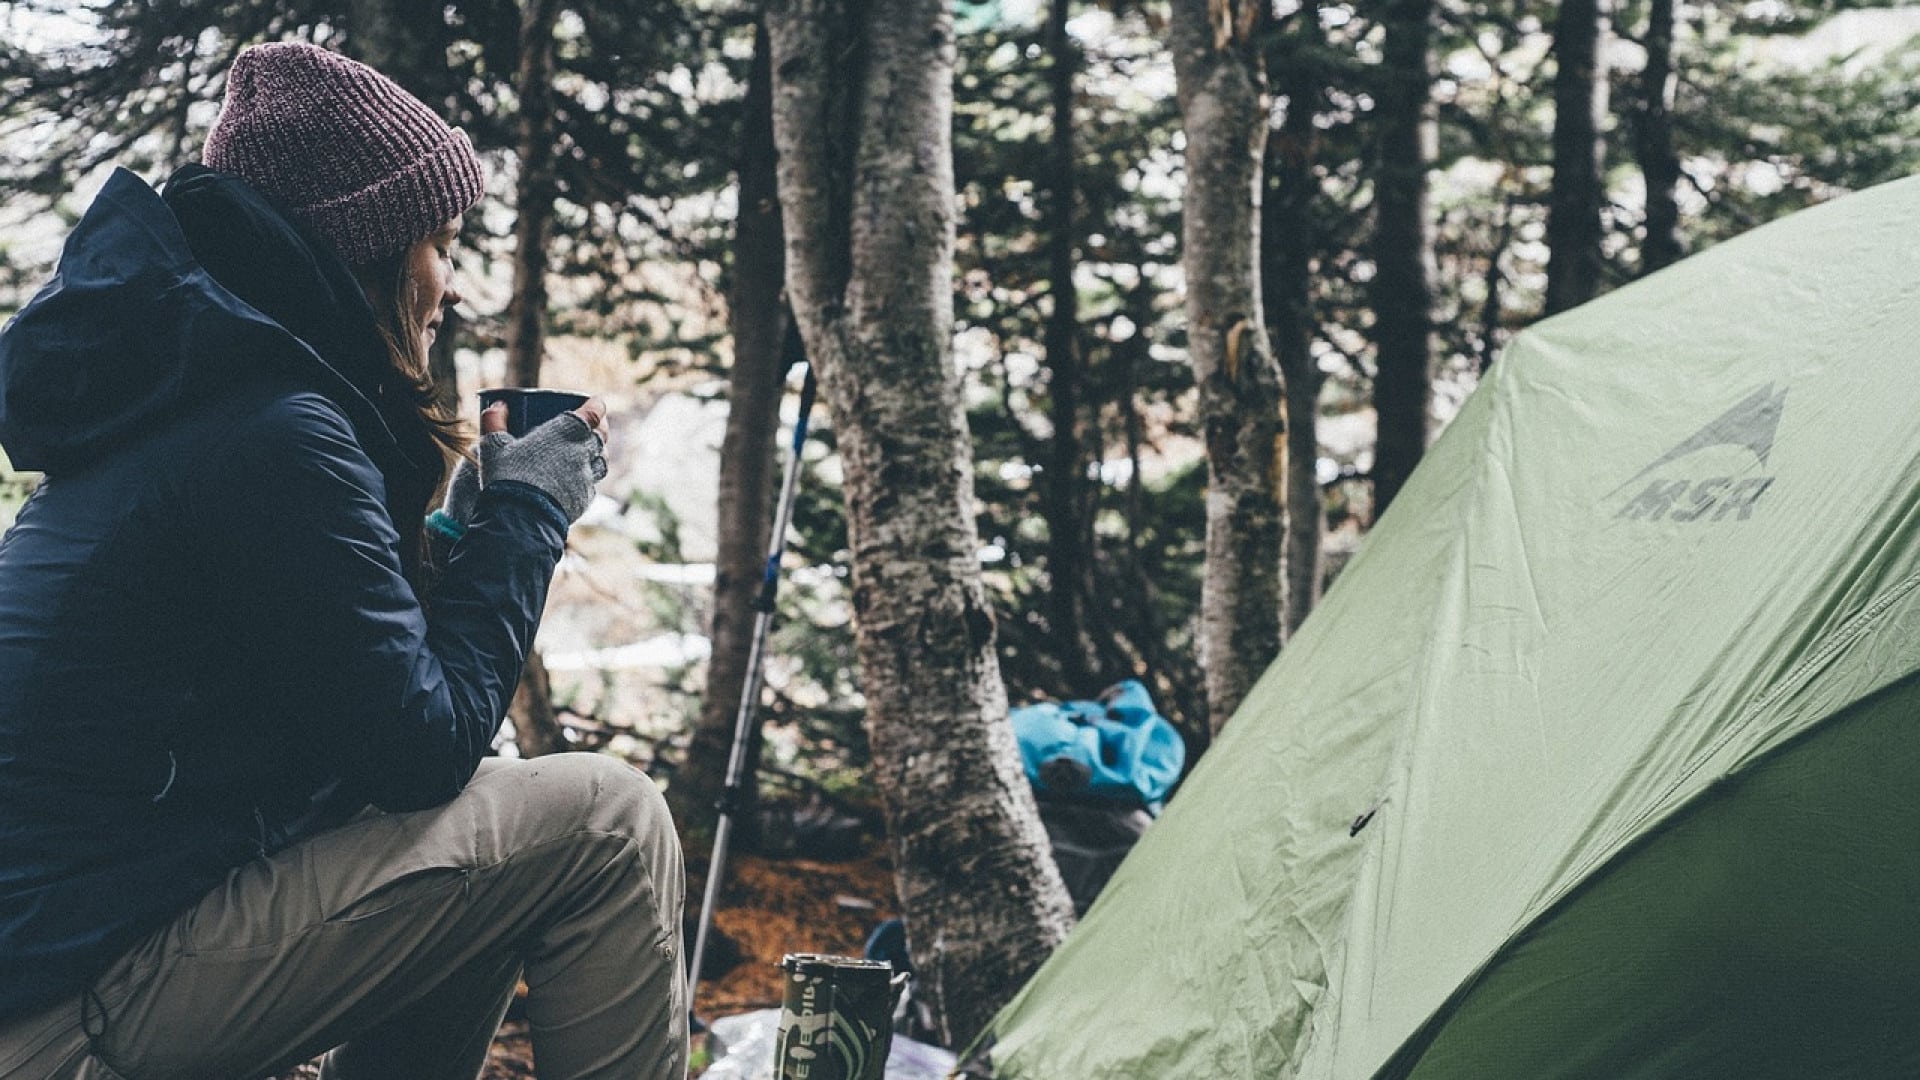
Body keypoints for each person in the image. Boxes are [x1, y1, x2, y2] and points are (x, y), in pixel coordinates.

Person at [0, 42, 687, 1079]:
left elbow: (368, 730)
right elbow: (419, 752)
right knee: (607, 824)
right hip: (68, 1008)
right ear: (364, 250)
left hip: (61, 964)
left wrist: (457, 539)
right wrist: (530, 515)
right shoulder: (277, 431)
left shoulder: (194, 406)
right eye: (440, 246)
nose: (449, 288)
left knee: (492, 851)